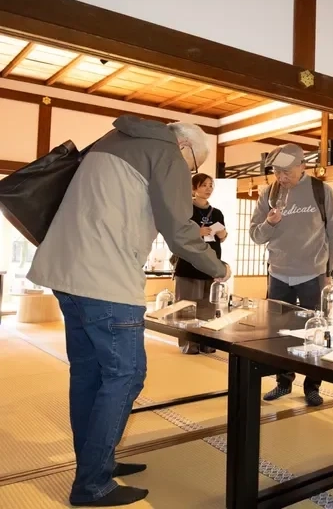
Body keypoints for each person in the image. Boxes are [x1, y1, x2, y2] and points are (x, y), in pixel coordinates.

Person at [27, 116, 230, 507]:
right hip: (105, 280)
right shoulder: (167, 153)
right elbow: (179, 228)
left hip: (65, 272)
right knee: (126, 376)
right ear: (185, 147)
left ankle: (96, 463)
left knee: (88, 374)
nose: (189, 172)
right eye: (193, 167)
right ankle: (92, 484)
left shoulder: (113, 138)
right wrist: (219, 268)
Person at [250, 143, 333, 407]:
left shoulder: (321, 191)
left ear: (303, 166)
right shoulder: (269, 193)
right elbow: (255, 235)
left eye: (286, 171)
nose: (281, 177)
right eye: (276, 171)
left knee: (315, 332)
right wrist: (270, 222)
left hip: (313, 273)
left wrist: (328, 271)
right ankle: (283, 382)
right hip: (278, 273)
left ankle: (312, 385)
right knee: (280, 333)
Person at [174, 173, 228, 354]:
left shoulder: (217, 212)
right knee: (187, 306)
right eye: (204, 185)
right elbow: (177, 235)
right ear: (194, 188)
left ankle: (206, 341)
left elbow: (223, 235)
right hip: (189, 265)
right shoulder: (184, 210)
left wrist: (223, 235)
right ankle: (188, 343)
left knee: (209, 306)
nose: (208, 189)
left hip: (211, 265)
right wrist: (198, 232)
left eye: (211, 185)